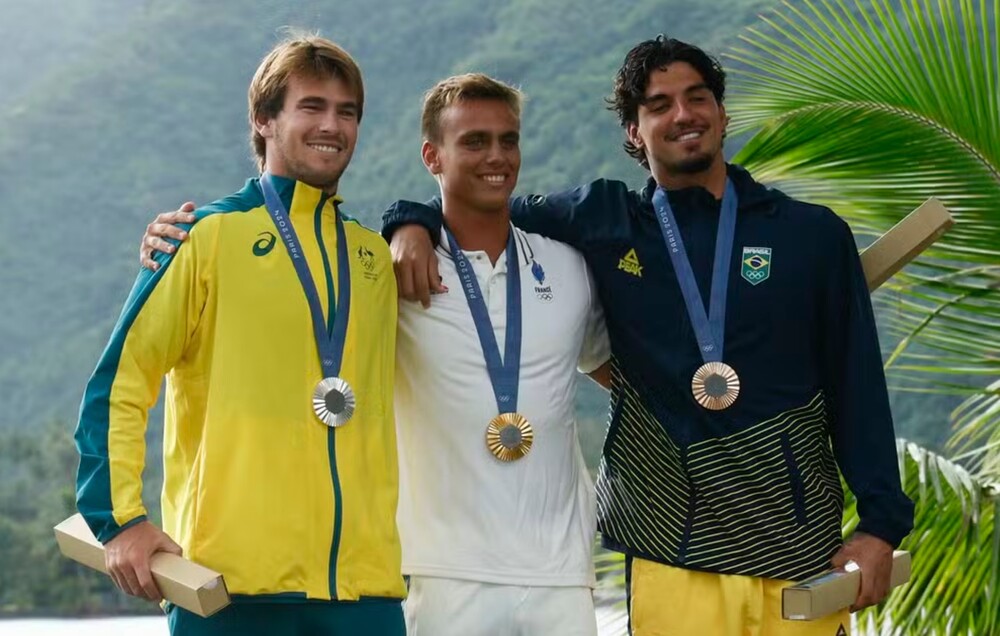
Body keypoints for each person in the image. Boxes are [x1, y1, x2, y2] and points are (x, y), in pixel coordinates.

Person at [381, 36, 914, 636]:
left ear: (721, 112)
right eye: (659, 105)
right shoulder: (607, 221)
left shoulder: (811, 235)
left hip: (796, 553)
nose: (683, 114)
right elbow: (485, 198)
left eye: (697, 97)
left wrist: (880, 524)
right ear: (634, 131)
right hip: (670, 551)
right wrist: (410, 220)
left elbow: (858, 386)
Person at [139, 72, 612, 636]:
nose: (496, 156)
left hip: (561, 574)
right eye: (474, 141)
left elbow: (632, 378)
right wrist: (408, 223)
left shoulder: (569, 267)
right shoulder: (389, 273)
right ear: (431, 155)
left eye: (508, 140)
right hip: (435, 573)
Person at [75, 35, 406, 636]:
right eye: (311, 106)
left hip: (367, 595)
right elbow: (121, 383)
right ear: (264, 119)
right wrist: (119, 518)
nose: (331, 125)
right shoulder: (204, 239)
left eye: (347, 111)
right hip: (229, 594)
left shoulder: (374, 258)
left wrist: (421, 222)